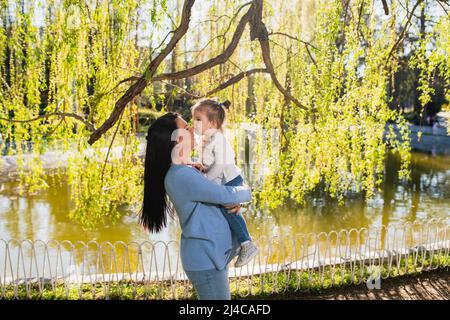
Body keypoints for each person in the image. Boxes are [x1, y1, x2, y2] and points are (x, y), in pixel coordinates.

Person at [139, 112, 252, 300]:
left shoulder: (185, 170)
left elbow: (215, 196)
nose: (192, 129)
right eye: (185, 128)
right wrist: (247, 191)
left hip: (209, 257)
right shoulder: (181, 175)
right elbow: (222, 194)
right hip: (205, 260)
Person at [191, 98, 259, 267]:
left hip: (230, 180)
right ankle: (234, 244)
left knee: (230, 210)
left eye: (199, 119)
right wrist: (200, 167)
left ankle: (247, 244)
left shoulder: (218, 139)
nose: (194, 123)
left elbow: (220, 165)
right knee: (226, 211)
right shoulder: (206, 140)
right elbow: (209, 163)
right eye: (194, 119)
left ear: (213, 123)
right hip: (221, 181)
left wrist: (206, 181)